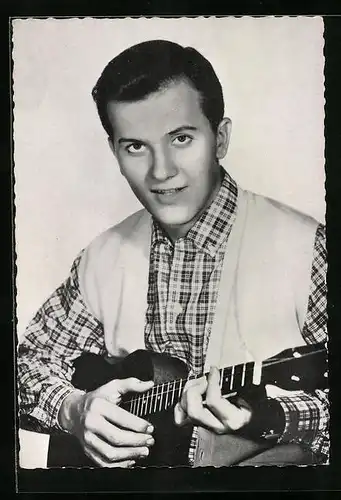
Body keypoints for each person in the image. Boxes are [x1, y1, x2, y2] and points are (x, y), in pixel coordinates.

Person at [17, 39, 328, 468]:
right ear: (115, 153)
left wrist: (273, 415)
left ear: (220, 138)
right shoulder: (101, 257)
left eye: (181, 138)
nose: (161, 171)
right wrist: (74, 411)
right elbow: (24, 366)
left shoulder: (309, 251)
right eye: (136, 146)